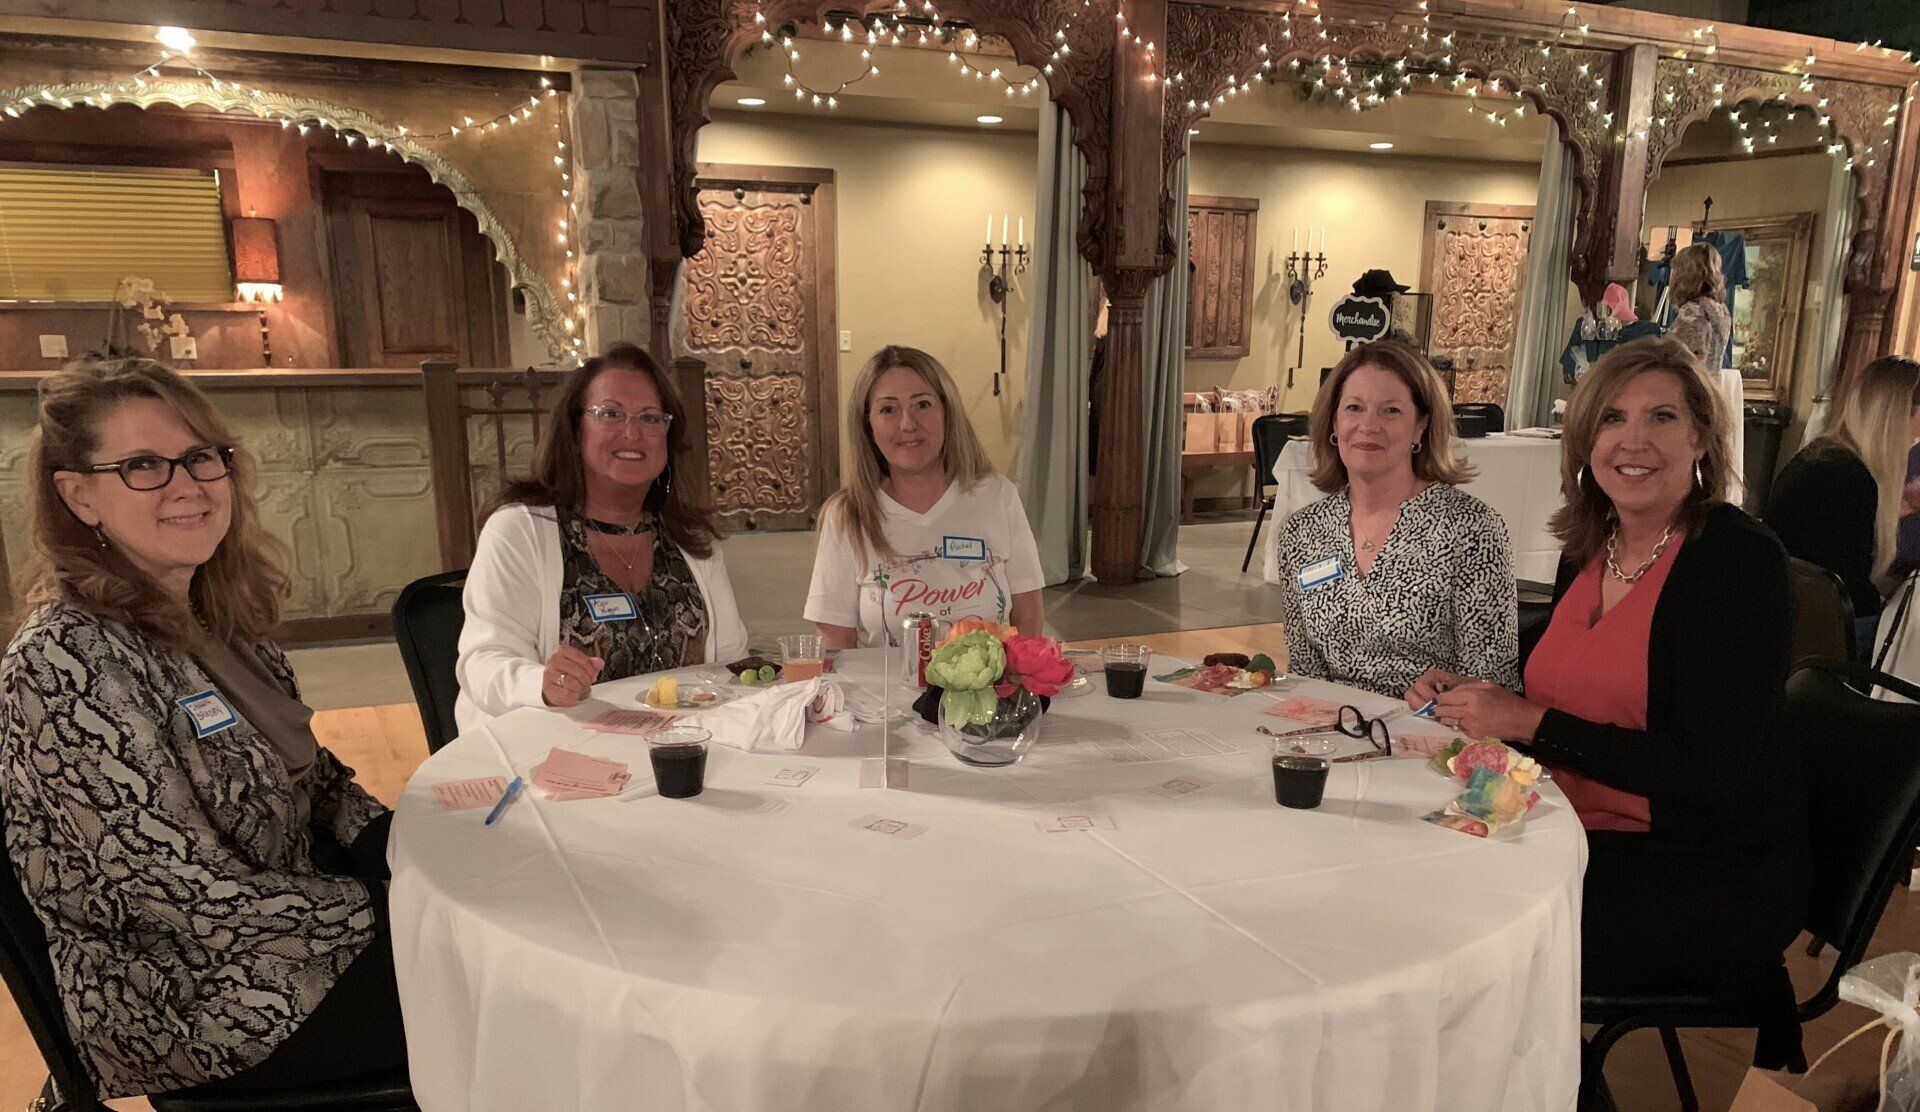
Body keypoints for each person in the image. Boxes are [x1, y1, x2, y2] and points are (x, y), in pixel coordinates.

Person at [0, 357, 405, 1098]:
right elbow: (185, 895)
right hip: (184, 997)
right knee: (513, 993)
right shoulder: (65, 657)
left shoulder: (218, 616)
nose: (187, 485)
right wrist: (390, 907)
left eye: (200, 456)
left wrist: (407, 849)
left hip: (293, 929)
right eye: (143, 466)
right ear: (79, 495)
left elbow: (318, 786)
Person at [1431, 336, 1808, 1084]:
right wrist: (1468, 692)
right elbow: (1569, 667)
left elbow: (1705, 772)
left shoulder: (1736, 564)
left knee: (1457, 925)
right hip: (1574, 831)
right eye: (1611, 418)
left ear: (1701, 437)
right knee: (1408, 866)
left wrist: (1528, 723)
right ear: (1584, 441)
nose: (1633, 441)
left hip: (1699, 872)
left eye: (1661, 417)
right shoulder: (1594, 545)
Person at [456, 343, 748, 732]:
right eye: (610, 414)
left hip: (679, 749)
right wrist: (541, 682)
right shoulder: (521, 529)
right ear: (575, 429)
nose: (632, 432)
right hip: (553, 750)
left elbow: (731, 664)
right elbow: (482, 661)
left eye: (650, 418)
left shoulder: (689, 538)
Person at [1273, 339, 1518, 699]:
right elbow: (1305, 671)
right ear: (1334, 422)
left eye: (1391, 411)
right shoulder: (1301, 532)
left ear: (1420, 427)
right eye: (1354, 408)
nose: (1368, 425)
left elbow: (1493, 683)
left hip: (1433, 728)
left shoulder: (1471, 529)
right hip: (1328, 724)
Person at [807, 345, 1044, 649]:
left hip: (988, 682)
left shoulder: (998, 496)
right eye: (888, 409)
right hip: (881, 682)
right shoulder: (846, 515)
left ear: (947, 413)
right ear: (868, 426)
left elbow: (1028, 616)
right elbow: (835, 639)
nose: (907, 424)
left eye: (922, 404)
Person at [1765, 355, 1920, 649]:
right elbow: (1851, 593)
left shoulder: (1820, 455)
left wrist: (1890, 512)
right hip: (1814, 637)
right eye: (1911, 438)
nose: (1910, 446)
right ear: (1893, 423)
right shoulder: (1849, 478)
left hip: (1786, 621)